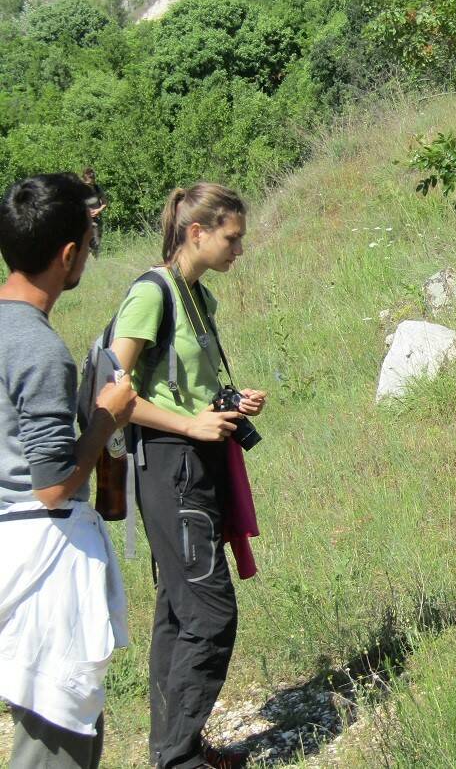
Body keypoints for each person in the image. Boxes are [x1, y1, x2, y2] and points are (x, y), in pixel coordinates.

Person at [108, 183, 268, 769]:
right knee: (209, 612)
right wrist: (190, 424)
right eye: (232, 238)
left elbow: (184, 386)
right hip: (169, 468)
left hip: (196, 466)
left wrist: (229, 403)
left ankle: (175, 750)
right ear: (196, 233)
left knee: (179, 613)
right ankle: (178, 759)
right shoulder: (151, 294)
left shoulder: (196, 295)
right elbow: (113, 394)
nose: (239, 250)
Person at [0, 173, 136, 769]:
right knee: (55, 746)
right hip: (41, 565)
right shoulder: (39, 350)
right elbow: (53, 483)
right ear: (68, 255)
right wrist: (106, 418)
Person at [80, 167, 107, 256]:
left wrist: (98, 210)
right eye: (88, 183)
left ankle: (95, 261)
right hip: (83, 221)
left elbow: (104, 203)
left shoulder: (97, 188)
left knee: (96, 243)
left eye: (92, 182)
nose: (90, 185)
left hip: (96, 220)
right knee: (84, 245)